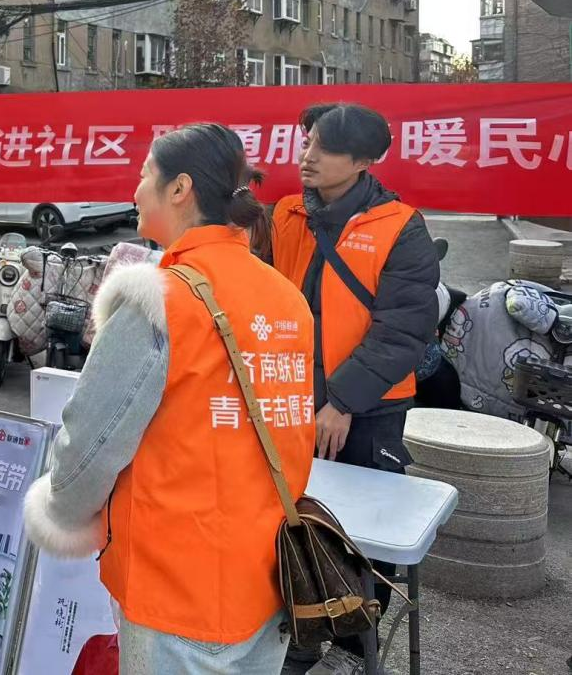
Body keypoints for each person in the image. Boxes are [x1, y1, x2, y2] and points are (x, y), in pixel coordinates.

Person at [25, 123, 316, 675]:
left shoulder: (158, 299)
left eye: (143, 177)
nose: (135, 192)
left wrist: (58, 512)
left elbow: (91, 443)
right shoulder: (284, 295)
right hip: (269, 577)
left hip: (178, 586)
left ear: (180, 189)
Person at [270, 103, 438, 673]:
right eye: (306, 142)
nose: (307, 156)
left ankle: (351, 634)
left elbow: (404, 331)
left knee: (359, 533)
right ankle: (299, 630)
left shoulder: (401, 226)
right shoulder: (287, 213)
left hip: (367, 410)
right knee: (290, 515)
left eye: (325, 148)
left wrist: (342, 401)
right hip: (289, 397)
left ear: (363, 161)